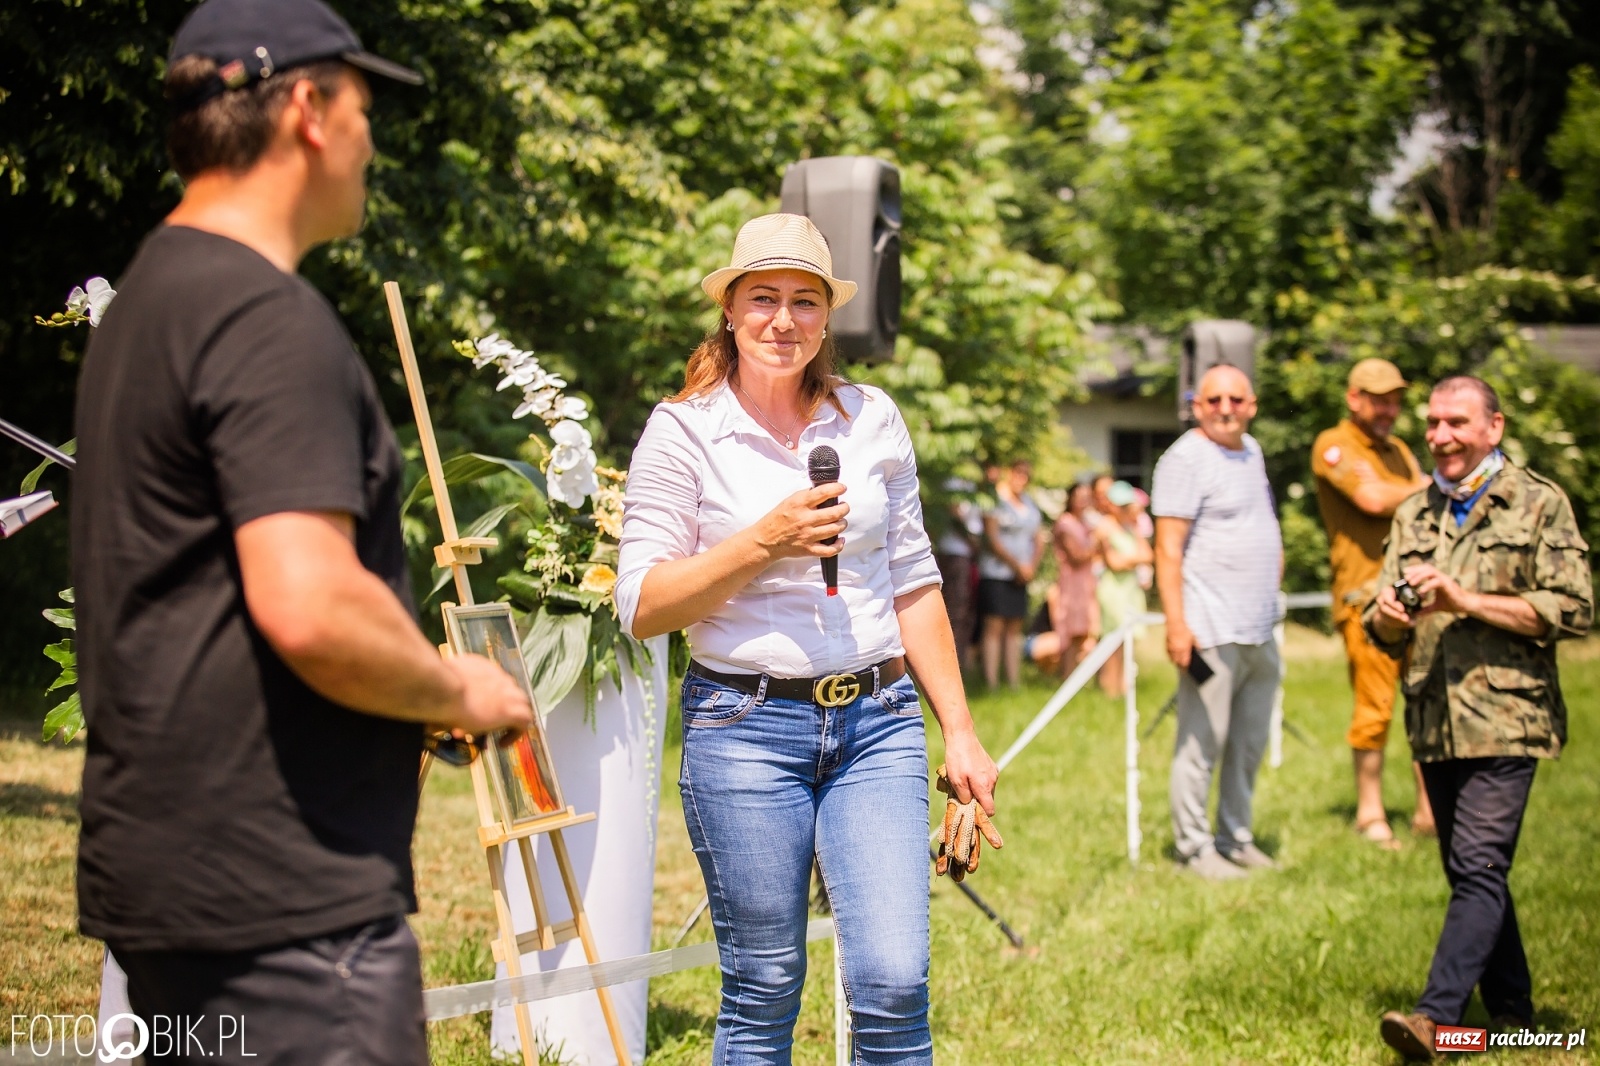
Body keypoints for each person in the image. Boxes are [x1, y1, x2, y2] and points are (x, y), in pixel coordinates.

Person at [69, 1, 534, 1062]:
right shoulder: (266, 320)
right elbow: (311, 605)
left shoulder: (148, 302)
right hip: (288, 910)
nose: (371, 142)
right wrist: (457, 689)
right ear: (310, 111)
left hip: (169, 888)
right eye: (364, 108)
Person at [614, 212, 1000, 1065]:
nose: (783, 320)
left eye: (805, 301)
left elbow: (913, 577)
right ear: (729, 311)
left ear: (828, 317)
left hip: (878, 723)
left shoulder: (871, 418)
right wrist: (764, 541)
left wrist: (961, 730)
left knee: (894, 983)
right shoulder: (684, 431)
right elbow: (640, 604)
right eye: (763, 298)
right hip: (743, 729)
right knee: (764, 988)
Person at [1366, 376, 1591, 1061]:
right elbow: (1380, 623)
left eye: (1457, 422)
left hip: (1508, 715)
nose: (1441, 436)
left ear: (1494, 427)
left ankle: (1438, 1022)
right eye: (1433, 423)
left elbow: (1573, 609)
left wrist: (1464, 599)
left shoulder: (1539, 502)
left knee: (1477, 863)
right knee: (1474, 873)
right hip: (1434, 719)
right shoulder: (1414, 512)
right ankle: (1515, 1018)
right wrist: (1388, 617)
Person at [1152, 365, 1284, 880]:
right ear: (1196, 406)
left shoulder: (1252, 451)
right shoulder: (1184, 459)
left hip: (1259, 627)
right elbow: (1168, 549)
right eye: (1214, 400)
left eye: (1235, 399)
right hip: (1210, 628)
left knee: (1248, 744)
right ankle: (1194, 848)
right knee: (1201, 745)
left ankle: (1236, 837)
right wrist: (1177, 626)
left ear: (1252, 404)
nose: (1225, 408)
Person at [1311, 358, 1435, 849]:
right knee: (1375, 707)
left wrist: (1407, 490)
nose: (1388, 409)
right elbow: (1371, 499)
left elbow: (1405, 498)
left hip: (1416, 592)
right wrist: (1424, 488)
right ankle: (1370, 813)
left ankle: (1429, 812)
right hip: (1364, 598)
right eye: (1378, 400)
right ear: (1353, 399)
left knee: (1426, 702)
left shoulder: (1398, 450)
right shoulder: (1334, 444)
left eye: (1394, 400)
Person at [977, 459, 1046, 689]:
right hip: (997, 572)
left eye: (1026, 474)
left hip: (1021, 574)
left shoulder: (1029, 503)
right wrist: (1017, 566)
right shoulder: (996, 500)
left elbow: (1038, 539)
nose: (1022, 478)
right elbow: (992, 539)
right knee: (994, 626)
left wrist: (1030, 567)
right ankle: (991, 682)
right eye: (1018, 473)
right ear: (1009, 473)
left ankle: (1014, 682)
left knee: (1014, 628)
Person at [1094, 481, 1151, 697]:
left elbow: (1148, 555)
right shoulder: (1104, 527)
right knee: (1113, 643)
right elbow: (1114, 563)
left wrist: (1129, 559)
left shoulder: (1132, 527)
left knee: (1129, 642)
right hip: (1113, 592)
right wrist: (1134, 560)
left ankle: (1125, 692)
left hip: (1130, 590)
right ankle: (1110, 692)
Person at [1050, 481, 1101, 676]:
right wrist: (1096, 542)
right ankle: (1066, 677)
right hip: (1072, 584)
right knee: (1071, 633)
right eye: (1079, 497)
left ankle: (1076, 678)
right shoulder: (1065, 523)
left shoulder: (1087, 524)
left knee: (1083, 633)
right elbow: (1076, 557)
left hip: (1087, 583)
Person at [932, 477, 983, 672]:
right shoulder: (952, 482)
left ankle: (959, 664)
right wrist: (972, 540)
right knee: (955, 610)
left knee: (965, 613)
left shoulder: (973, 483)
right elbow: (954, 512)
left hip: (968, 556)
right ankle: (947, 665)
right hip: (954, 554)